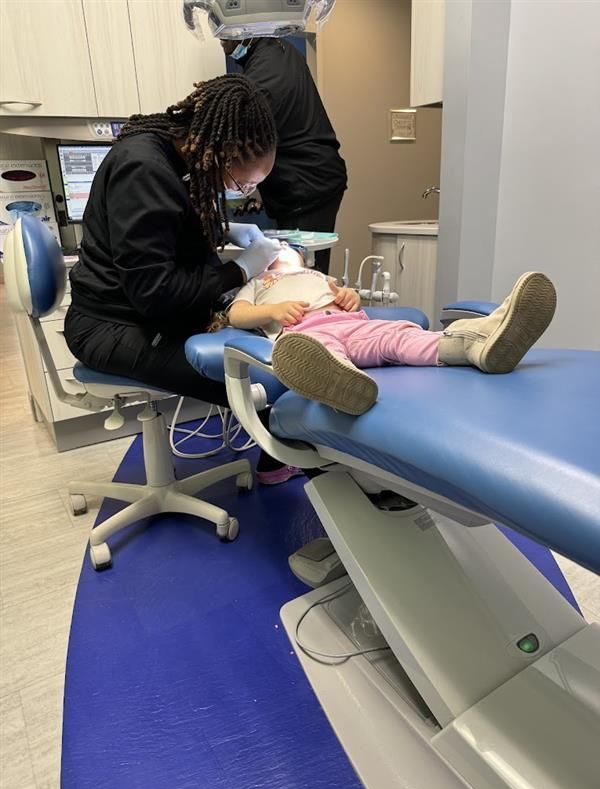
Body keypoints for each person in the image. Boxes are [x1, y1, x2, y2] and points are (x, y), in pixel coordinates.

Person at [64, 74, 297, 483]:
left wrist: (225, 231)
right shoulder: (144, 168)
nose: (241, 191)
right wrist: (240, 269)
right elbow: (154, 295)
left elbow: (169, 227)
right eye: (243, 182)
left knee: (272, 355)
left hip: (140, 313)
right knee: (266, 378)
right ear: (218, 152)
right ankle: (280, 460)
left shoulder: (179, 157)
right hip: (110, 326)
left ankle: (276, 454)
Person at [226, 247, 557, 415]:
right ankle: (343, 382)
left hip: (355, 324)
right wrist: (271, 311)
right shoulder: (258, 283)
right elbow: (236, 314)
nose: (283, 257)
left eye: (289, 254)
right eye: (276, 254)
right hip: (305, 332)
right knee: (318, 351)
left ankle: (477, 343)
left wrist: (349, 295)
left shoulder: (318, 278)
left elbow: (350, 299)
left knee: (401, 333)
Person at [221, 37, 347, 274]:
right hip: (314, 178)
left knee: (296, 275)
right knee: (295, 273)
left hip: (307, 187)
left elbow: (241, 132)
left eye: (225, 34)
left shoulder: (266, 72)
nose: (221, 40)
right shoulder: (277, 50)